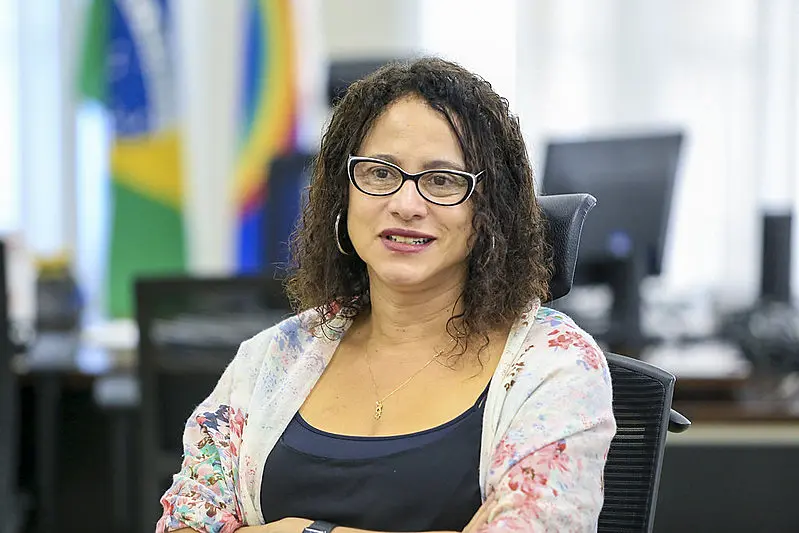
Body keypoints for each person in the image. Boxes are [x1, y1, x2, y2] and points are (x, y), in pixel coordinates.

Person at [157, 57, 616, 533]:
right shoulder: (274, 358)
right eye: (380, 173)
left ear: (490, 210)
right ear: (343, 194)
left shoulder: (555, 366)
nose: (405, 204)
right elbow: (184, 524)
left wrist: (303, 531)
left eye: (442, 180)